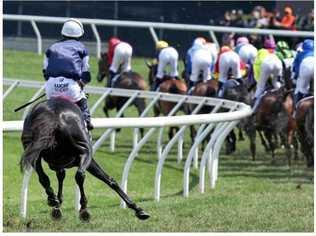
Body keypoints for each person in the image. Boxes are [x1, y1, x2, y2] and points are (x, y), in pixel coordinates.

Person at [43, 18, 94, 131]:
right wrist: (83, 83)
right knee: (82, 99)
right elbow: (86, 73)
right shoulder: (82, 48)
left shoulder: (51, 47)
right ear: (80, 34)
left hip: (51, 87)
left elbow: (45, 73)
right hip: (71, 89)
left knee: (48, 107)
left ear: (63, 32)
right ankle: (87, 121)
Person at [252, 38, 283, 111]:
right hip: (278, 63)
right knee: (276, 83)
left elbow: (257, 66)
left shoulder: (261, 52)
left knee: (260, 86)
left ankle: (253, 109)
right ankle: (281, 95)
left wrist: (258, 79)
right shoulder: (276, 52)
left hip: (267, 64)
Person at [293, 39, 314, 104]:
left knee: (301, 88)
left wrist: (296, 77)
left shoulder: (300, 54)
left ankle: (297, 107)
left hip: (305, 66)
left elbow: (296, 69)